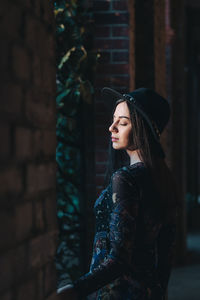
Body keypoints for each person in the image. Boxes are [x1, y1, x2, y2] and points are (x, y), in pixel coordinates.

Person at [57, 87, 180, 300]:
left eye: (122, 123)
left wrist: (75, 290)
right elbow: (165, 257)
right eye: (114, 120)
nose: (111, 128)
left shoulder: (125, 178)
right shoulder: (163, 179)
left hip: (118, 293)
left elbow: (119, 259)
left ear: (143, 129)